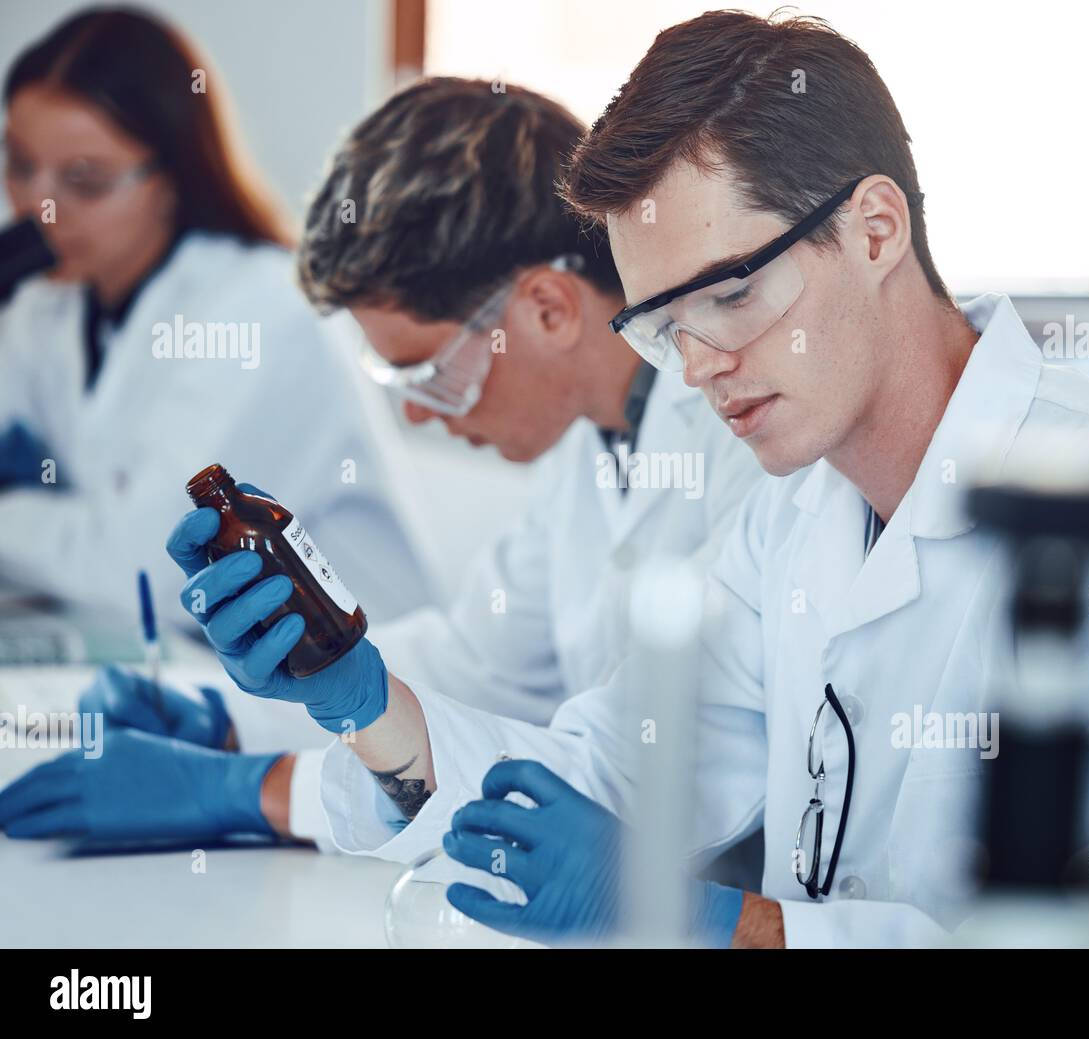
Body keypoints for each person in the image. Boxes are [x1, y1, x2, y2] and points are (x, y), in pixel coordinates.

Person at [136, 11, 1089, 948]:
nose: (698, 366)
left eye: (731, 295)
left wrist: (714, 926)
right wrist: (356, 694)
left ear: (877, 227)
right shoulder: (793, 518)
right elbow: (607, 771)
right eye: (661, 324)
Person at [0, 78, 764, 853]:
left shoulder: (748, 435)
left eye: (429, 374)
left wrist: (246, 792)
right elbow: (476, 666)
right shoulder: (590, 446)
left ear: (549, 310)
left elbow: (632, 779)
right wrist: (234, 720)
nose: (422, 416)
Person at [0, 6, 430, 619]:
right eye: (19, 164)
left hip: (357, 676)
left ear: (170, 179)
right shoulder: (50, 301)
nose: (38, 209)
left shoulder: (261, 312)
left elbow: (145, 564)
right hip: (182, 652)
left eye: (85, 180)